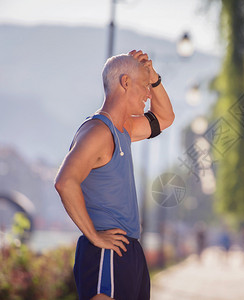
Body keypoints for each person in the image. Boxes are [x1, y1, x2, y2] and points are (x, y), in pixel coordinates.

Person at [54, 50, 175, 300]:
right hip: (106, 251)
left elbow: (164, 118)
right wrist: (94, 236)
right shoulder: (97, 131)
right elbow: (65, 182)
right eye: (144, 86)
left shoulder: (124, 129)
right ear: (125, 82)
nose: (148, 93)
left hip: (128, 250)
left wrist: (152, 77)